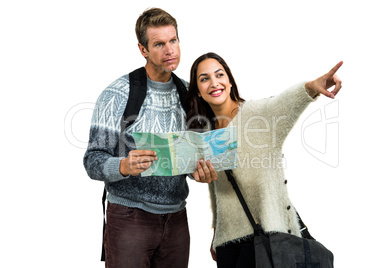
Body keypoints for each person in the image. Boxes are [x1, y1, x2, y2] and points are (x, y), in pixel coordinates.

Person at [83, 8, 215, 268]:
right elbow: (92, 160)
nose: (170, 50)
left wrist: (199, 171)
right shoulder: (117, 94)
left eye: (173, 41)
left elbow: (189, 159)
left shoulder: (189, 95)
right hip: (129, 218)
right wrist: (122, 166)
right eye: (159, 44)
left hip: (177, 219)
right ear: (143, 50)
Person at [186, 52, 342, 267]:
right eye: (204, 79)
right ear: (198, 92)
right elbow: (217, 190)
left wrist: (313, 86)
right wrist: (215, 231)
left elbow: (286, 102)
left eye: (219, 75)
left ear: (230, 81)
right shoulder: (205, 133)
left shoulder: (258, 115)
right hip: (227, 244)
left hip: (269, 236)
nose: (214, 83)